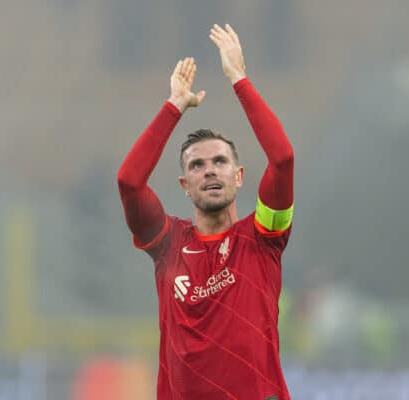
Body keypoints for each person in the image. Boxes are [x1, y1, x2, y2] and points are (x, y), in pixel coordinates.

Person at [117, 23, 294, 399]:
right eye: (196, 166)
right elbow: (130, 182)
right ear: (184, 185)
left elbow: (282, 159)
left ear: (239, 176)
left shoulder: (263, 240)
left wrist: (239, 79)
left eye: (220, 161)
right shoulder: (168, 246)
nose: (210, 169)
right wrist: (174, 106)